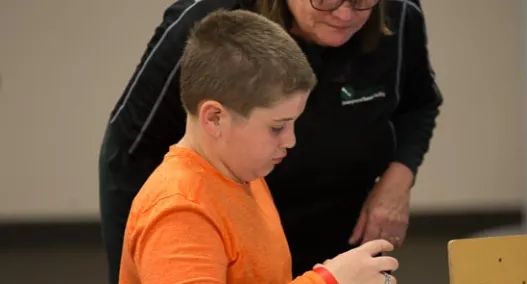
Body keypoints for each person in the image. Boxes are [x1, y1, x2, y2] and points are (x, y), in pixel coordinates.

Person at [100, 0, 442, 282]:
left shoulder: (249, 178)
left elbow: (420, 103)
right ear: (215, 118)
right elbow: (130, 150)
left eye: (362, 1)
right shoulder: (183, 212)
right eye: (278, 126)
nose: (344, 14)